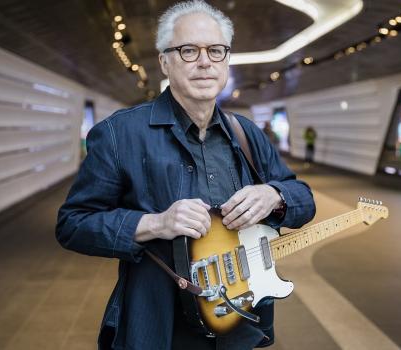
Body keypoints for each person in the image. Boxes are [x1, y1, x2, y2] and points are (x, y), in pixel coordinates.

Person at [55, 1, 315, 349]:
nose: (205, 61)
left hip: (238, 326)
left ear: (226, 60)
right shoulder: (120, 134)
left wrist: (275, 196)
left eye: (216, 50)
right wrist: (155, 223)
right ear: (165, 61)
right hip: (158, 329)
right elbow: (73, 224)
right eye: (189, 50)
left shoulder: (246, 134)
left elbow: (303, 199)